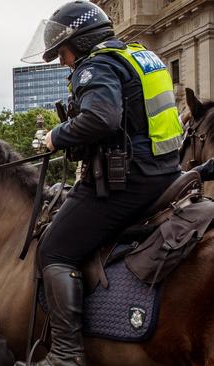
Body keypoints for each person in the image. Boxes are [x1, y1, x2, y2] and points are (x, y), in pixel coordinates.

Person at [20, 2, 184, 365]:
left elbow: (101, 118)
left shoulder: (96, 65)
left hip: (128, 181)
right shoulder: (141, 55)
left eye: (62, 53)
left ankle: (65, 354)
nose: (62, 62)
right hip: (167, 174)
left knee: (54, 250)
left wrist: (55, 137)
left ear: (79, 41)